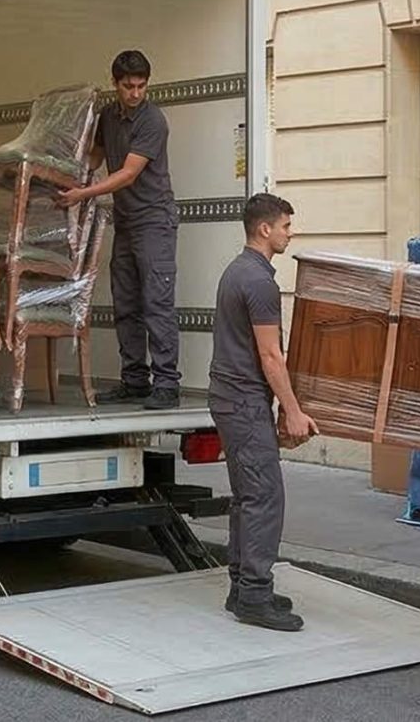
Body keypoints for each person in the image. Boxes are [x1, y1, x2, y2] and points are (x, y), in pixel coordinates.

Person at [209, 193, 314, 631]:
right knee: (264, 498)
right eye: (287, 226)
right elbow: (271, 356)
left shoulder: (238, 271)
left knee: (247, 497)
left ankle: (243, 588)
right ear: (265, 229)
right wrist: (291, 412)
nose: (291, 233)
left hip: (232, 398)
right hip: (243, 401)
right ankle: (254, 595)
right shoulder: (259, 282)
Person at [57, 50, 180, 410]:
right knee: (125, 303)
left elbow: (127, 174)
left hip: (154, 221)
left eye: (142, 86)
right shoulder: (107, 116)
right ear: (115, 83)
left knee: (156, 302)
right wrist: (72, 174)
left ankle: (167, 384)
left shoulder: (153, 121)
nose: (136, 93)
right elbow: (95, 156)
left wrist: (82, 193)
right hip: (126, 221)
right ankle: (135, 381)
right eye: (129, 86)